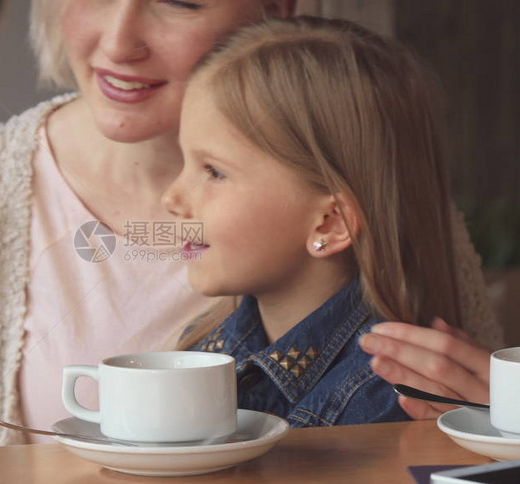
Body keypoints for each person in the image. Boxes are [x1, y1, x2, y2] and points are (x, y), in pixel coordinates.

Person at [0, 0, 499, 453]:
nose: (120, 39)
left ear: (275, 12)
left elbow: (475, 437)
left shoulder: (392, 201)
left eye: (182, 0)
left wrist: (502, 428)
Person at [165, 16, 467, 426]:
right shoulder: (201, 345)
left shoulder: (390, 398)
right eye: (183, 162)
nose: (172, 199)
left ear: (329, 224)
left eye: (213, 172)